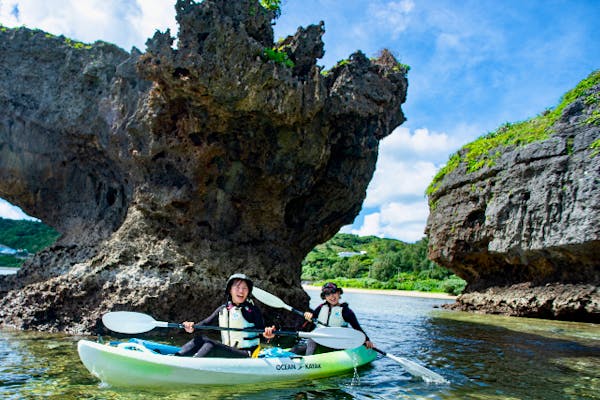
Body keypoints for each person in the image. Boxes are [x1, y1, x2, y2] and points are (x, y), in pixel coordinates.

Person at [175, 273, 275, 358]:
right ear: (230, 290)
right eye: (237, 287)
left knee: (211, 344)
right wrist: (191, 327)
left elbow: (262, 333)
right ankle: (176, 357)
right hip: (230, 351)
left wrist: (268, 335)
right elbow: (204, 324)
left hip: (247, 354)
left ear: (248, 292)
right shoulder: (223, 309)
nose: (241, 291)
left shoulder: (252, 310)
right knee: (201, 339)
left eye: (245, 288)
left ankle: (191, 365)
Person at [294, 282, 374, 355]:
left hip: (337, 341)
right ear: (325, 297)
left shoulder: (346, 311)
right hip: (321, 339)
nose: (332, 297)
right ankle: (308, 359)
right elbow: (312, 316)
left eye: (333, 293)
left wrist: (366, 339)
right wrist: (308, 315)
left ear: (339, 293)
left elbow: (357, 327)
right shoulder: (321, 308)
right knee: (312, 337)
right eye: (328, 294)